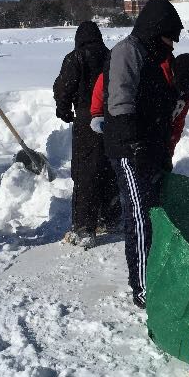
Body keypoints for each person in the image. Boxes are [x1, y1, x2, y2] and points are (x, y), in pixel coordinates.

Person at [102, 0, 183, 309]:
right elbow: (120, 102)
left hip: (148, 149)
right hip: (128, 149)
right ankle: (143, 288)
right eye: (169, 38)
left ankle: (157, 273)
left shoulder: (150, 55)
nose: (171, 46)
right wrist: (134, 142)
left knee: (154, 212)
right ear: (156, 30)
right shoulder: (128, 51)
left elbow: (157, 104)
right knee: (138, 215)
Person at [53, 21, 119, 248]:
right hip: (110, 118)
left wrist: (63, 109)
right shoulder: (111, 56)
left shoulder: (75, 57)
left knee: (85, 173)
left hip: (85, 119)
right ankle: (111, 218)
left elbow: (64, 86)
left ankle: (84, 227)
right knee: (109, 168)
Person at [90, 52, 189, 168]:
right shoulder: (150, 72)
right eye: (186, 82)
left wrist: (168, 152)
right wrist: (98, 113)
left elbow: (176, 126)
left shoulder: (182, 98)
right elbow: (108, 78)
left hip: (153, 142)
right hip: (124, 132)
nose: (188, 88)